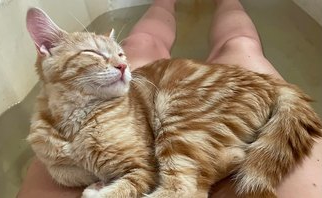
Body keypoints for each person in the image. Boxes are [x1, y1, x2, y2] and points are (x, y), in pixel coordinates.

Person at [18, 0, 322, 197]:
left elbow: (140, 165)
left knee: (142, 44)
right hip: (170, 99)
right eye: (98, 54)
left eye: (117, 54)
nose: (120, 63)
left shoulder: (125, 76)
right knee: (240, 45)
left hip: (182, 95)